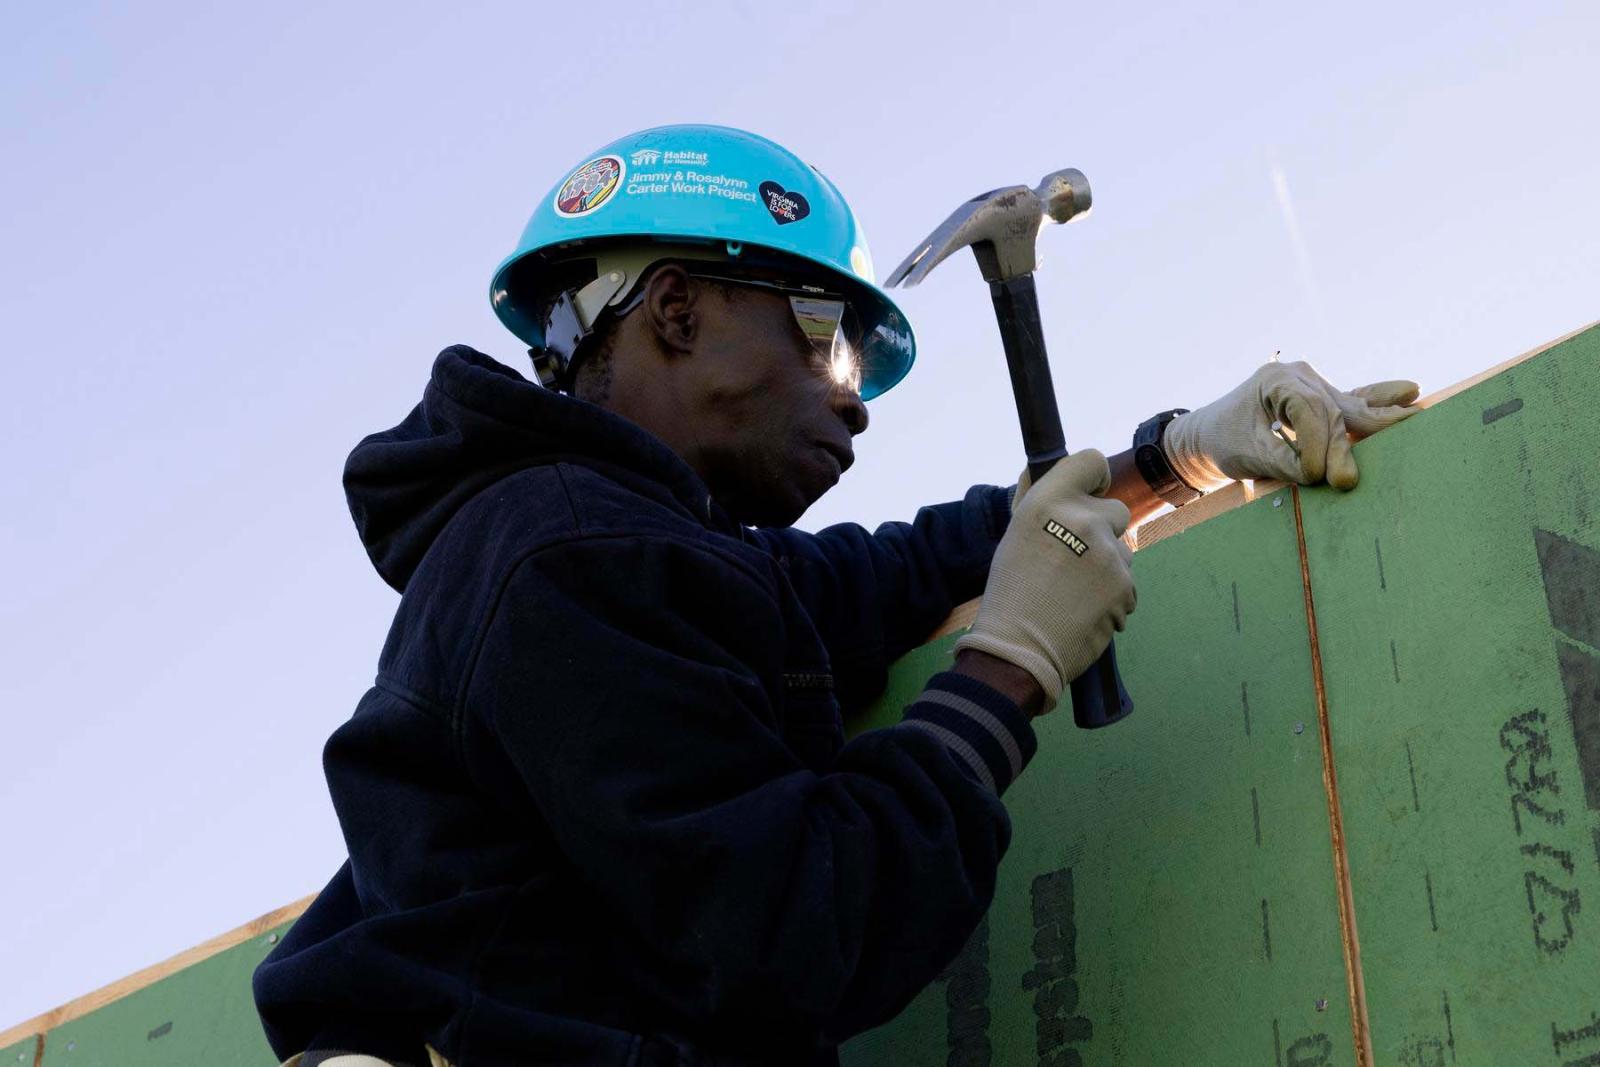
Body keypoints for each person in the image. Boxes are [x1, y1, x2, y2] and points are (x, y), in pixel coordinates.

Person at [252, 125, 1419, 1067]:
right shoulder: (566, 558)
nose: (857, 400)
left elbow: (900, 570)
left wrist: (1179, 452)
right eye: (833, 342)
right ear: (673, 311)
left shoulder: (642, 550)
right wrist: (1005, 668)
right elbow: (798, 926)